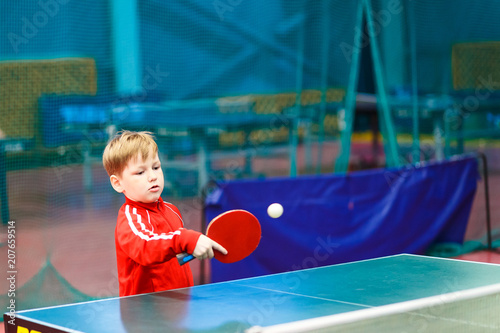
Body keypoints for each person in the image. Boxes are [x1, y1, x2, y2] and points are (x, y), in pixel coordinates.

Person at [102, 130, 226, 296]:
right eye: (140, 172)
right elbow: (147, 246)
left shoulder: (171, 210)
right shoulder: (130, 218)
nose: (152, 176)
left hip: (179, 304)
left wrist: (192, 247)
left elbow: (174, 252)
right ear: (118, 183)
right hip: (145, 313)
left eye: (156, 167)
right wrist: (186, 239)